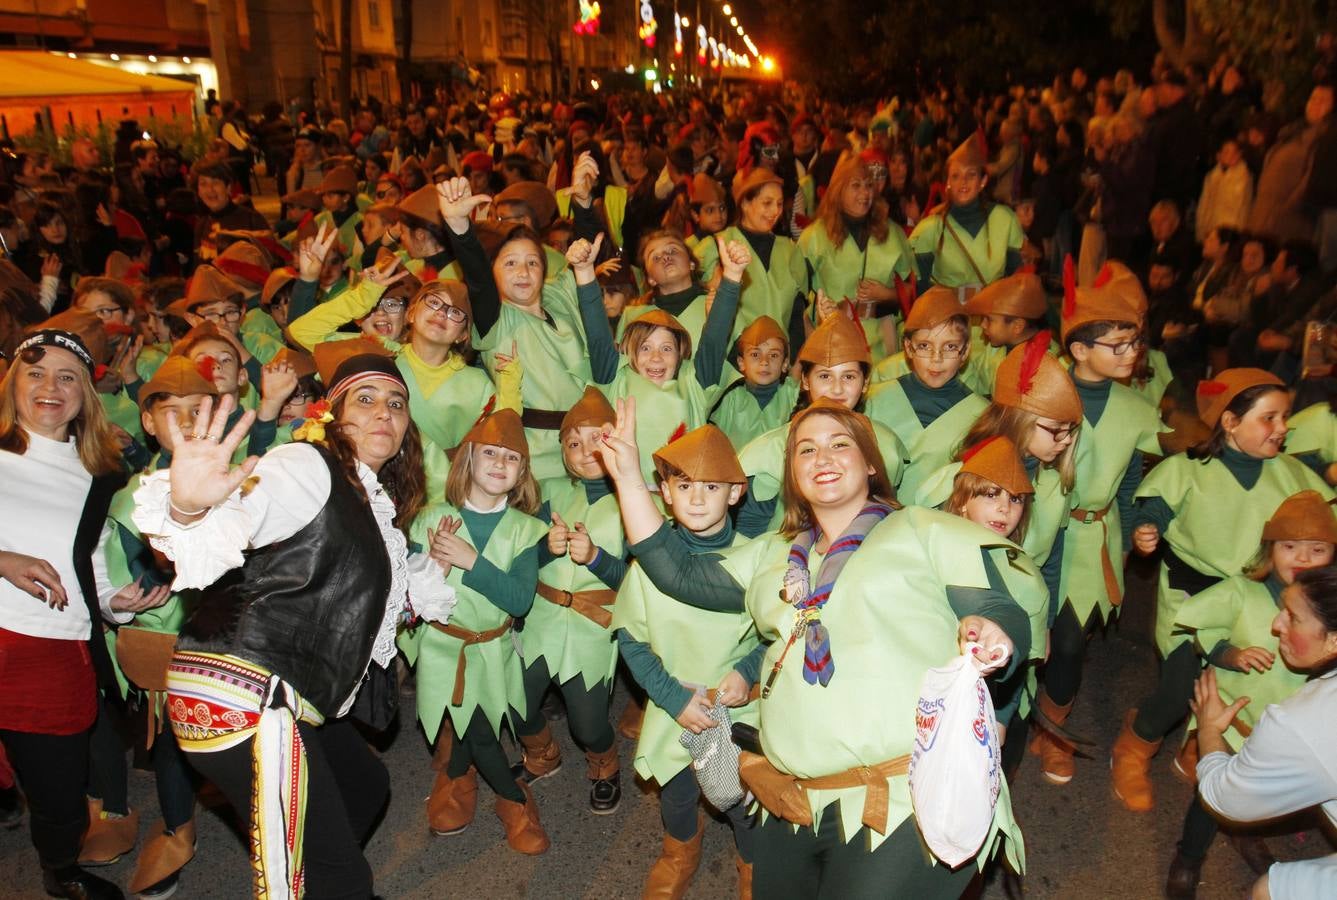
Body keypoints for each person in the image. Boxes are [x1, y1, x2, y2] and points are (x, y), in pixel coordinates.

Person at [598, 398, 1029, 896]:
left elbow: (1001, 608)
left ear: (871, 464)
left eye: (839, 444)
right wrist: (629, 476)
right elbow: (676, 573)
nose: (822, 457)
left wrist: (992, 632)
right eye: (806, 450)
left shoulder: (923, 530)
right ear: (793, 476)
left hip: (902, 794)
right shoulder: (775, 553)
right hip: (793, 797)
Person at [131, 345, 454, 899]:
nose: (384, 413)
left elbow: (352, 597)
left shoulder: (367, 501)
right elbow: (238, 520)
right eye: (366, 400)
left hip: (273, 691)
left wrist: (424, 579)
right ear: (330, 415)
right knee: (343, 876)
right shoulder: (305, 466)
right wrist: (189, 508)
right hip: (248, 699)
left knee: (364, 783)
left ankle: (316, 873)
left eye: (397, 404)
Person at [1117, 369, 1332, 811]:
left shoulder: (1294, 476)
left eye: (1285, 417)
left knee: (1253, 681)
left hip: (1266, 598)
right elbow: (1154, 508)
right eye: (1268, 418)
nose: (1283, 428)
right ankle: (1136, 742)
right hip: (1194, 596)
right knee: (1180, 687)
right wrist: (1145, 531)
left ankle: (1201, 746)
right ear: (1230, 422)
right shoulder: (1189, 470)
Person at [1, 315, 129, 900]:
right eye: (36, 371)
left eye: (68, 377)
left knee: (59, 793)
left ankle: (60, 871)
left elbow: (95, 572)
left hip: (50, 651)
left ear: (85, 397)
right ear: (12, 381)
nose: (50, 386)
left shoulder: (99, 476)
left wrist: (119, 604)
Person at [611, 424, 760, 897]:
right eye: (684, 486)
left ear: (735, 492)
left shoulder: (757, 561)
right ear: (665, 492)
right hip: (674, 701)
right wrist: (673, 697)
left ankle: (753, 864)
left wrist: (747, 671)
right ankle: (679, 852)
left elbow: (777, 637)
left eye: (712, 486)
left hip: (735, 706)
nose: (697, 499)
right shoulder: (648, 567)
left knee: (743, 799)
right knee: (675, 793)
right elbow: (631, 638)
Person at [1164, 490, 1337, 897]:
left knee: (1285, 794)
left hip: (1282, 739)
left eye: (1318, 549)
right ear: (1268, 549)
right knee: (1204, 811)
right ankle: (1189, 857)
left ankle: (1265, 822)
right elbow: (1200, 630)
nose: (1278, 626)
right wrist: (1231, 654)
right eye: (1290, 546)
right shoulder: (1243, 592)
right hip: (1239, 724)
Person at [1029, 277, 1165, 787]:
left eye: (1134, 342)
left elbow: (1130, 480)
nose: (1131, 353)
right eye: (1117, 344)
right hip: (1038, 530)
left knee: (1069, 642)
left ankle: (1054, 733)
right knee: (1025, 634)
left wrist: (1135, 531)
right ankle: (1005, 727)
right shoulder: (1044, 389)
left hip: (1093, 538)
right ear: (1080, 349)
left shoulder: (1135, 408)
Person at [407, 409, 551, 855]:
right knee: (476, 729)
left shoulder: (528, 530)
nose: (499, 464)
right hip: (442, 647)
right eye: (490, 453)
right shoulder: (428, 518)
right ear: (468, 458)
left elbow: (518, 600)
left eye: (512, 459)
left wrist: (472, 562)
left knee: (477, 726)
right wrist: (434, 566)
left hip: (492, 650)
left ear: (522, 473)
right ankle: (512, 797)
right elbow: (409, 597)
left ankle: (456, 777)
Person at [512, 388, 627, 813]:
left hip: (591, 629)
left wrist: (597, 558)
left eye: (596, 438)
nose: (583, 451)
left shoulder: (633, 501)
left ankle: (605, 763)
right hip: (541, 619)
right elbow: (528, 560)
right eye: (573, 443)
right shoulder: (552, 495)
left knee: (589, 724)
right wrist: (547, 547)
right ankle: (542, 756)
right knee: (517, 703)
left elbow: (639, 581)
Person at [574, 231, 744, 485]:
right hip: (630, 499)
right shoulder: (616, 377)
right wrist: (585, 273)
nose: (656, 357)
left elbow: (714, 340)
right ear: (630, 352)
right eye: (645, 348)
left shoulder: (694, 384)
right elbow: (597, 335)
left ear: (680, 356)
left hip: (686, 501)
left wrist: (732, 277)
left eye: (666, 349)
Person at [864, 286, 987, 503]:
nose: (936, 359)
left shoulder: (982, 416)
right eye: (924, 346)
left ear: (966, 351)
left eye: (950, 347)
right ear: (908, 349)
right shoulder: (875, 399)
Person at [797, 156, 914, 361]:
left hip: (883, 346)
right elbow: (797, 296)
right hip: (833, 342)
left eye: (869, 185)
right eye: (856, 185)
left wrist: (888, 294)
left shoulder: (893, 233)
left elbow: (913, 289)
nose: (864, 193)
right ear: (839, 189)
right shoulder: (814, 237)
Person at [694, 168, 809, 354]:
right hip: (733, 364)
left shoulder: (790, 250)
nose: (775, 211)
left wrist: (794, 362)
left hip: (780, 361)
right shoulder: (716, 246)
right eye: (767, 203)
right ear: (745, 203)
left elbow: (797, 315)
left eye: (779, 204)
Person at [909, 134, 1024, 300]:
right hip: (948, 319)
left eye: (971, 175)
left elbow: (1015, 277)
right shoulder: (930, 227)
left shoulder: (1005, 219)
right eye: (955, 176)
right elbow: (918, 288)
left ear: (983, 181)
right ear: (947, 182)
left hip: (992, 318)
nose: (963, 181)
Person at [709, 315, 798, 452]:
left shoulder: (794, 396)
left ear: (785, 364)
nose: (764, 361)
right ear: (741, 362)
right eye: (755, 354)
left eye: (773, 355)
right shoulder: (729, 400)